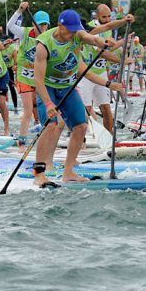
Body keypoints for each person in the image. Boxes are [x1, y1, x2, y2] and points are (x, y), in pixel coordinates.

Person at [33, 10, 122, 187]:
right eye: (70, 30)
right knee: (50, 126)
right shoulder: (44, 45)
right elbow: (38, 80)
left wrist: (104, 42)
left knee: (81, 126)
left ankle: (68, 172)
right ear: (60, 26)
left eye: (76, 31)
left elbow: (94, 40)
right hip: (48, 87)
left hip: (67, 86)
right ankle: (39, 174)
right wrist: (49, 103)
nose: (74, 34)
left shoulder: (77, 35)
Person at [78, 4, 134, 133]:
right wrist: (122, 61)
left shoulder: (107, 28)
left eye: (109, 16)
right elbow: (101, 52)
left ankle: (108, 138)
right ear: (97, 16)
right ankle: (83, 139)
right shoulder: (89, 28)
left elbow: (108, 47)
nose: (108, 19)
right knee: (85, 109)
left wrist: (123, 37)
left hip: (101, 73)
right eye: (104, 17)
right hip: (87, 74)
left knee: (106, 108)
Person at [6, 2, 50, 151]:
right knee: (28, 110)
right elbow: (10, 25)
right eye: (40, 24)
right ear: (33, 23)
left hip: (39, 78)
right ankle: (22, 143)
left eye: (45, 25)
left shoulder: (48, 38)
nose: (42, 28)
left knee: (45, 109)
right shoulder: (24, 33)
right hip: (24, 77)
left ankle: (46, 139)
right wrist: (19, 10)